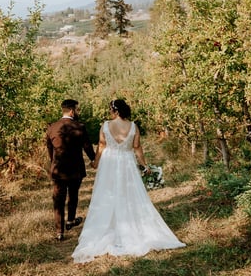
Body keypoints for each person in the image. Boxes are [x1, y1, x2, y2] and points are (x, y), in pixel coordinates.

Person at [72, 99, 186, 263]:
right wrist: (144, 166)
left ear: (115, 111)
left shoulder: (105, 125)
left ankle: (110, 227)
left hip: (109, 163)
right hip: (127, 163)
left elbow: (102, 146)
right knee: (129, 194)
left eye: (111, 110)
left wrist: (95, 162)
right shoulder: (133, 126)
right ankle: (128, 227)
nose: (110, 113)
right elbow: (137, 148)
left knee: (106, 194)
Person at [46, 99, 96, 241]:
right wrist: (93, 159)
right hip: (75, 168)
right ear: (72, 110)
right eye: (77, 110)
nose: (78, 112)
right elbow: (87, 147)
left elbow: (50, 149)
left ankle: (59, 232)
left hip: (58, 168)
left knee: (58, 199)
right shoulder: (79, 126)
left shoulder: (52, 127)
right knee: (73, 194)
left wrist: (54, 162)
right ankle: (71, 220)